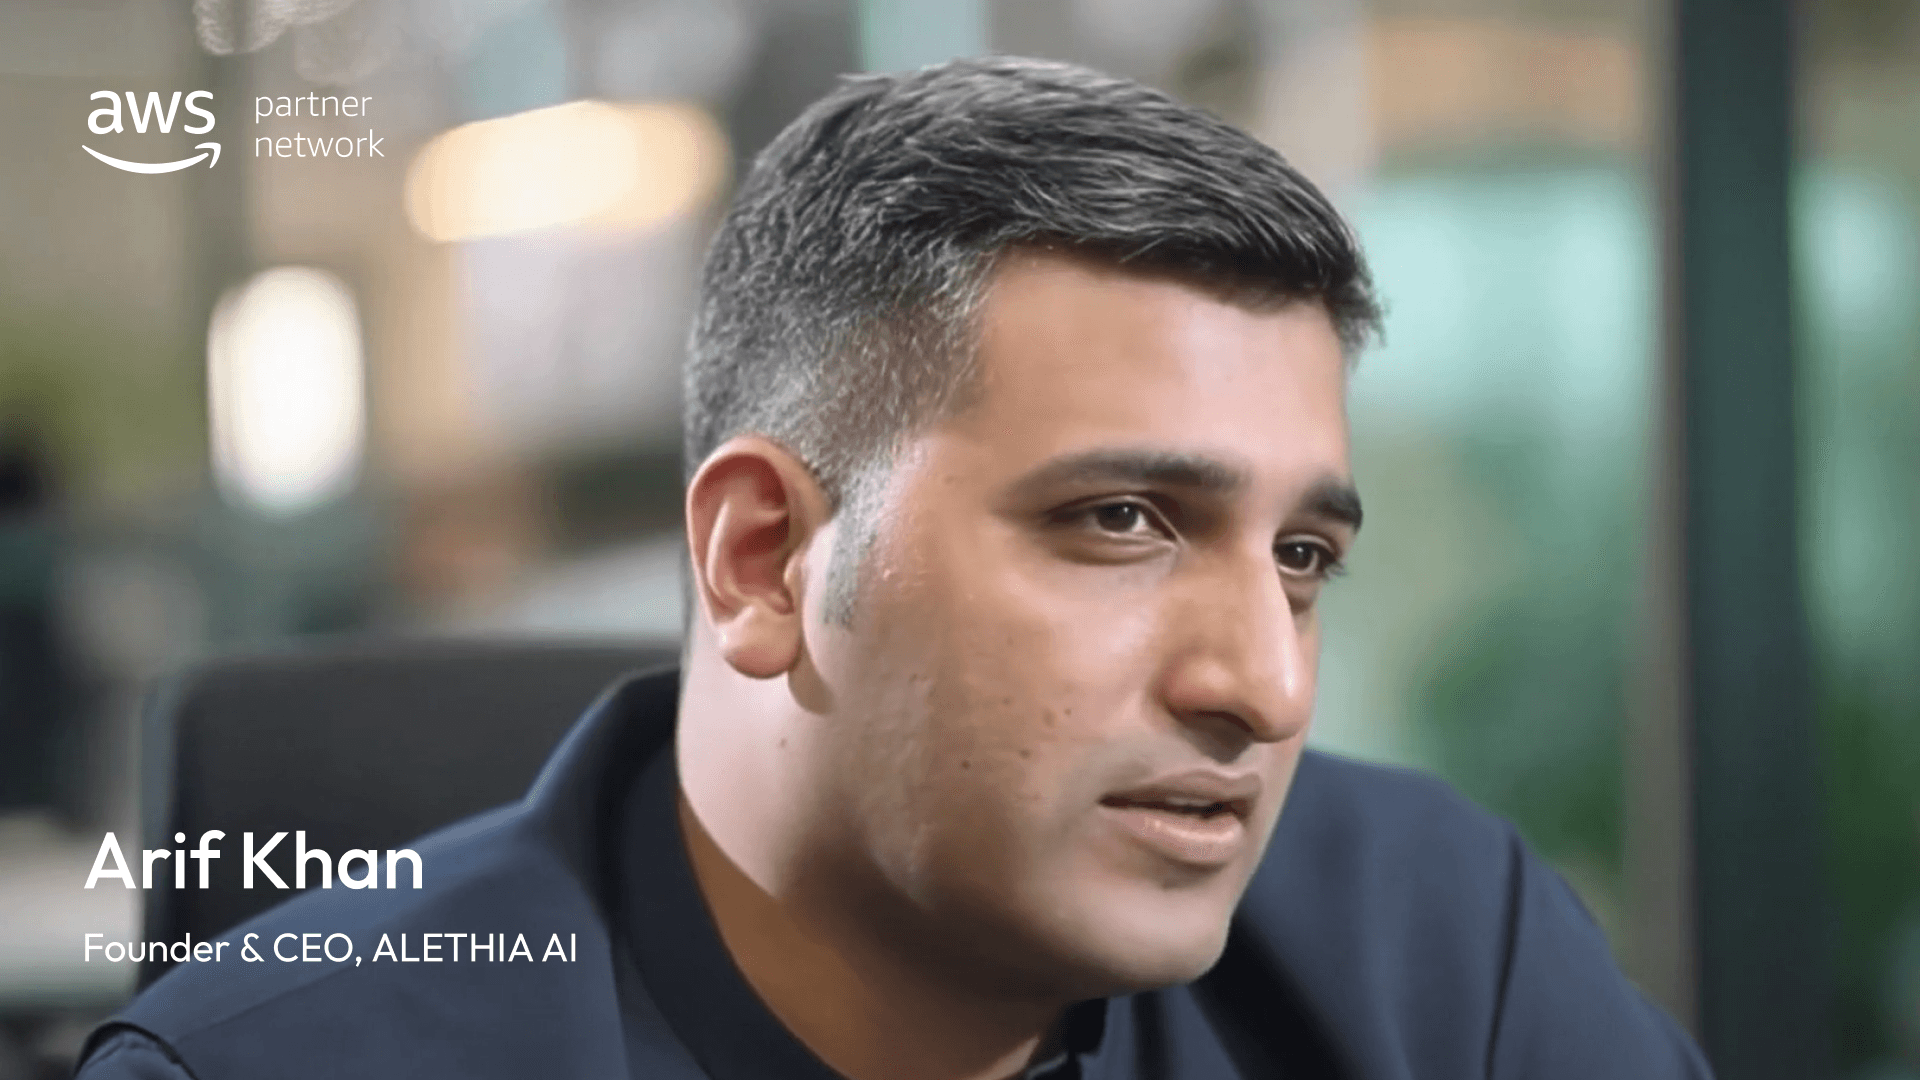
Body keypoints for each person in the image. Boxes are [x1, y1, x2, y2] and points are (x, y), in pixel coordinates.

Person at [77, 56, 1714, 1079]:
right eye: (1123, 521)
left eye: (1300, 557)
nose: (1267, 686)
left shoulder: (1441, 954)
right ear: (765, 559)